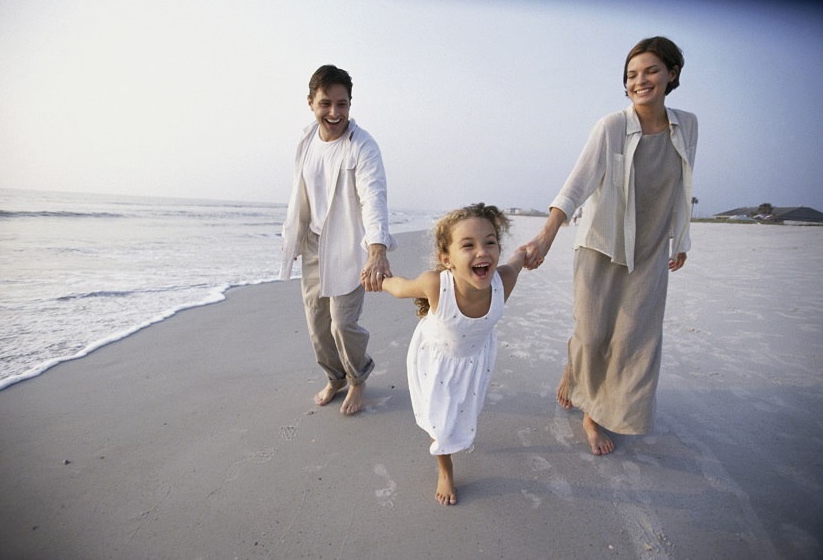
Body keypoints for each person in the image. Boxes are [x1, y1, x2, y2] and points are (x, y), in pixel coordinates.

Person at [521, 36, 698, 455]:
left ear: (672, 74)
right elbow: (577, 184)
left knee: (633, 339)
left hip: (651, 249)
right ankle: (580, 383)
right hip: (601, 246)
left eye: (651, 71)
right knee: (593, 332)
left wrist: (682, 238)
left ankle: (593, 412)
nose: (640, 81)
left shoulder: (687, 125)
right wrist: (546, 236)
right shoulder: (612, 126)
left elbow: (683, 184)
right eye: (632, 75)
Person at [378, 204, 526, 505]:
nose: (482, 251)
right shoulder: (436, 284)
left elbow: (518, 260)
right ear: (447, 259)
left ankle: (448, 447)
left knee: (463, 411)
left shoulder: (503, 281)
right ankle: (445, 468)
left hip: (475, 359)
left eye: (490, 242)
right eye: (468, 245)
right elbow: (401, 287)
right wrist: (379, 280)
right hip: (436, 360)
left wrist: (528, 252)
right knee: (440, 421)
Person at [280, 64, 396, 415]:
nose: (334, 113)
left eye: (342, 104)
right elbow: (302, 194)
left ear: (350, 104)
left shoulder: (363, 146)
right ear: (311, 102)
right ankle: (335, 377)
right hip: (314, 244)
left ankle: (358, 379)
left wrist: (377, 250)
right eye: (326, 103)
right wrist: (293, 238)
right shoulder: (306, 139)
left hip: (349, 246)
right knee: (317, 324)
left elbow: (373, 197)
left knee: (342, 322)